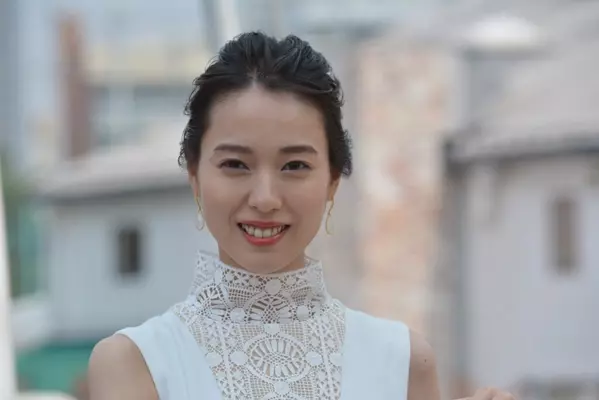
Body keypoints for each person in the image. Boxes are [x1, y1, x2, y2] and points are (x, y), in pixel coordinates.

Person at [88, 32, 515, 400]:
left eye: (294, 166)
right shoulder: (136, 361)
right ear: (195, 176)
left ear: (332, 181)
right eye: (236, 164)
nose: (265, 198)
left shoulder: (403, 359)